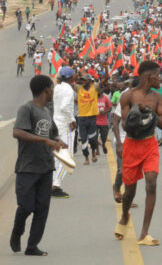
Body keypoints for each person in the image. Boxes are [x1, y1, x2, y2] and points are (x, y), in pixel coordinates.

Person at [11, 75, 66, 257]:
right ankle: (17, 230)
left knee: (42, 208)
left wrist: (58, 142)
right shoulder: (26, 109)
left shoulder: (47, 112)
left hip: (45, 167)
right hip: (27, 167)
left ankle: (32, 246)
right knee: (26, 206)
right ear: (46, 90)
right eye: (52, 87)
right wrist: (45, 140)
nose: (53, 91)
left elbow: (54, 134)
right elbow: (18, 132)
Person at [115, 61, 162, 246]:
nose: (160, 78)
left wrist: (151, 113)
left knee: (151, 183)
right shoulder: (128, 96)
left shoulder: (158, 97)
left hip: (150, 145)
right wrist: (137, 112)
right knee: (129, 192)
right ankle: (124, 216)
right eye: (158, 75)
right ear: (149, 76)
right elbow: (125, 125)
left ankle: (144, 233)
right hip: (132, 145)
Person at [51, 67, 77, 198]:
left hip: (55, 123)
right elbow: (64, 107)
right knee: (68, 157)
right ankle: (55, 185)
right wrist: (72, 120)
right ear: (71, 78)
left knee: (57, 155)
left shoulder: (57, 87)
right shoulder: (68, 89)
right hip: (65, 125)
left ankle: (51, 184)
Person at [77, 74, 100, 165]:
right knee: (83, 139)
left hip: (92, 117)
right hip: (82, 118)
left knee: (93, 138)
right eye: (82, 80)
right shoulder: (79, 88)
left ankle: (93, 153)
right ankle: (86, 158)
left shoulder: (95, 87)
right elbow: (72, 80)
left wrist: (106, 68)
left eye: (85, 80)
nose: (84, 82)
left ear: (90, 81)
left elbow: (105, 80)